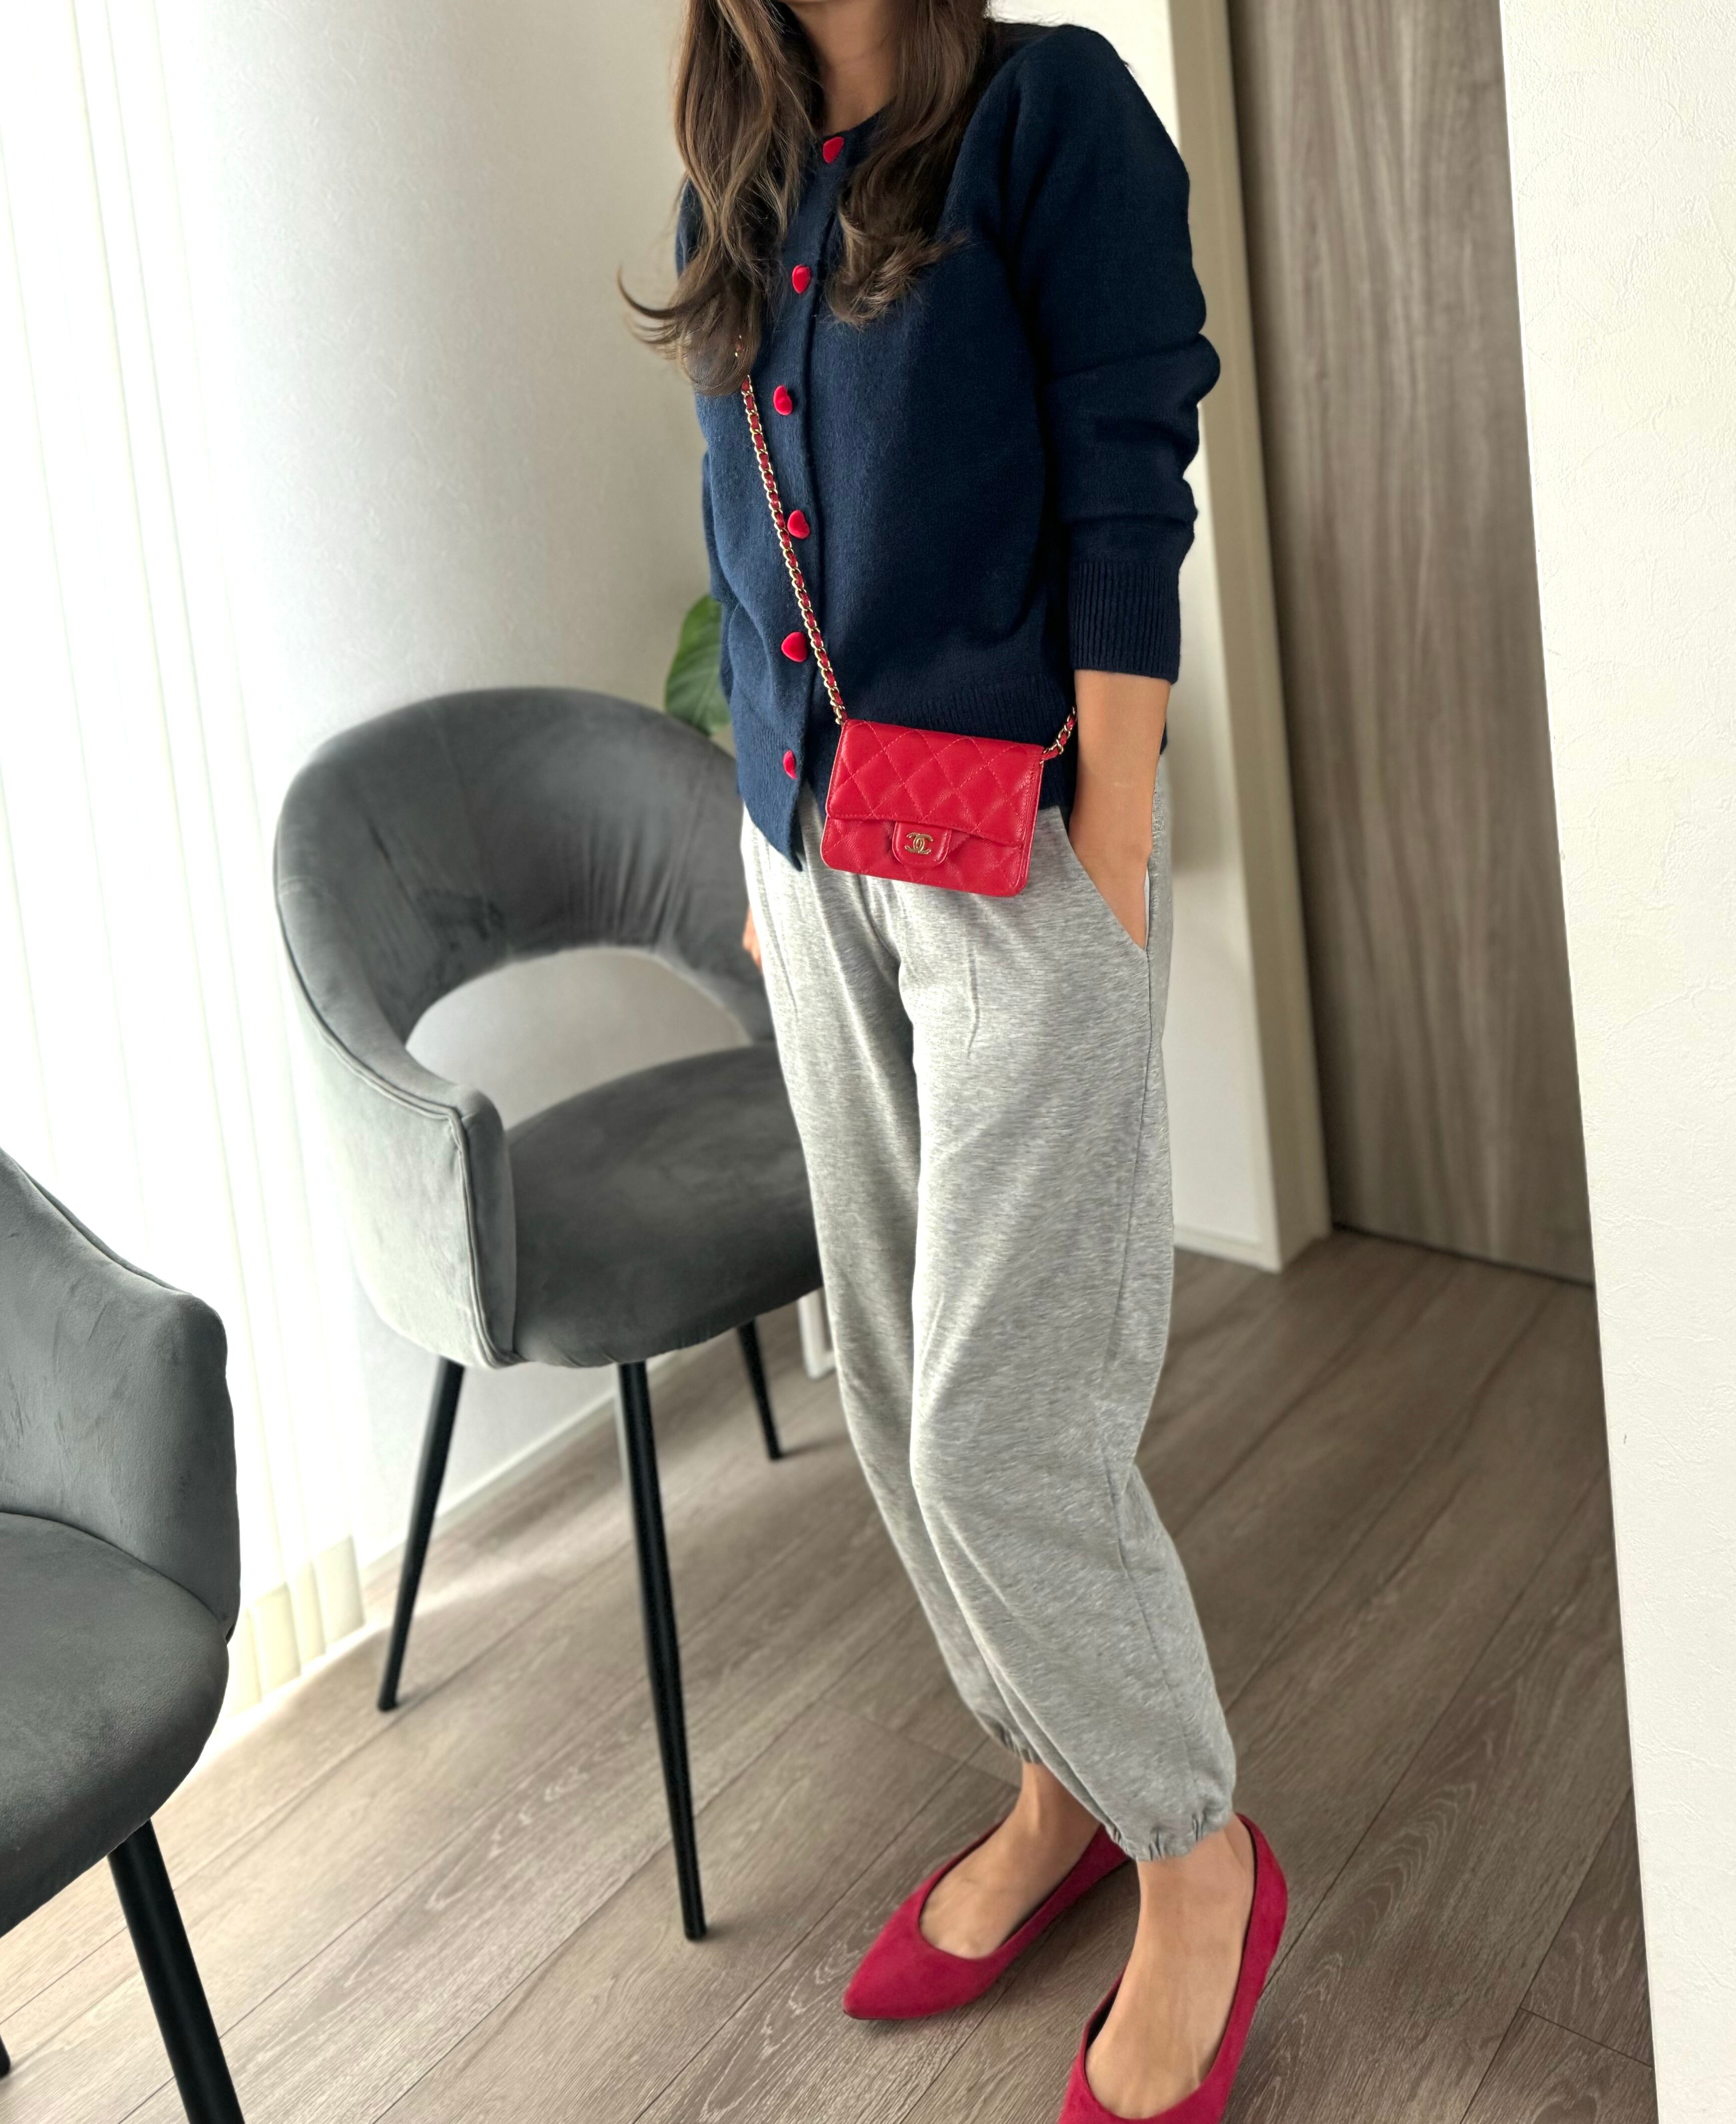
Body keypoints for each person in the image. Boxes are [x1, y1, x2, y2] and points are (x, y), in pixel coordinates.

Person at [628, 5, 1286, 2118]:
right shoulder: (733, 163)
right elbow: (735, 512)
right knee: (894, 1377)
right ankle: (1058, 1778)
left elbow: (1128, 470)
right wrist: (766, 826)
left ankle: (1195, 1851)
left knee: (1004, 1426)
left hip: (1018, 851)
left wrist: (1116, 839)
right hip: (814, 852)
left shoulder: (1045, 113)